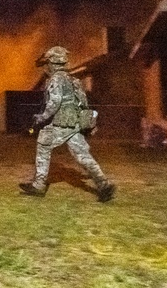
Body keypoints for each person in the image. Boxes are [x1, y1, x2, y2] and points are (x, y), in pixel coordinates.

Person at [20, 46, 116, 202]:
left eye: (47, 63)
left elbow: (55, 102)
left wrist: (41, 118)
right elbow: (83, 103)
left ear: (53, 62)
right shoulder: (73, 79)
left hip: (62, 123)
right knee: (83, 156)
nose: (46, 67)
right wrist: (88, 123)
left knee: (43, 144)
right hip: (74, 124)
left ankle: (38, 185)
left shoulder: (56, 79)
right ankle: (104, 186)